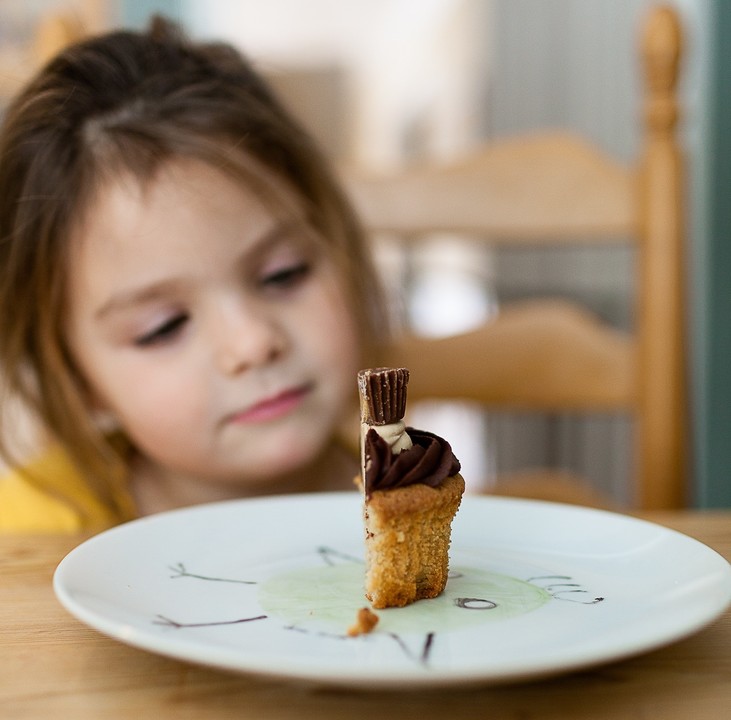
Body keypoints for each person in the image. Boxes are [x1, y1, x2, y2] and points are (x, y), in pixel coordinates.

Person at [0, 17, 387, 532]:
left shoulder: (414, 493)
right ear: (78, 382)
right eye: (163, 327)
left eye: (283, 275)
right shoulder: (25, 536)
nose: (252, 343)